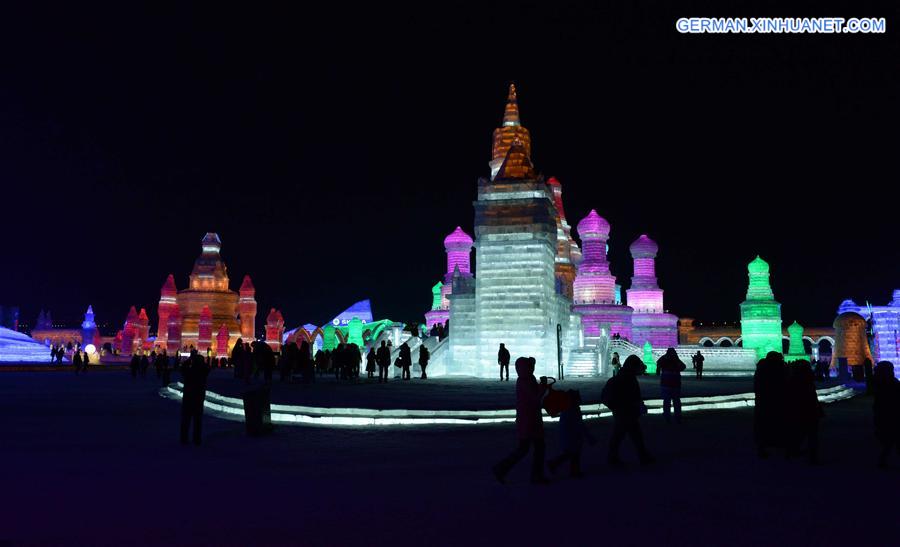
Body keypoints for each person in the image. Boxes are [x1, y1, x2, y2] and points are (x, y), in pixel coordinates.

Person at [492, 357, 550, 485]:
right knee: (535, 448)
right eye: (530, 366)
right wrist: (543, 387)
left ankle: (502, 469)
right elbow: (535, 397)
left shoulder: (526, 379)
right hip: (530, 421)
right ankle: (534, 475)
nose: (532, 368)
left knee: (526, 448)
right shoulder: (526, 381)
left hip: (527, 420)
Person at [602, 355, 654, 466]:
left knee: (623, 435)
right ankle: (640, 457)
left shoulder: (623, 376)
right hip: (626, 412)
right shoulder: (628, 378)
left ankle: (614, 457)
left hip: (622, 411)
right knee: (628, 435)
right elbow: (632, 395)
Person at [547, 390, 595, 478]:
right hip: (573, 436)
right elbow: (580, 425)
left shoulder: (567, 409)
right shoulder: (574, 410)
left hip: (569, 436)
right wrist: (589, 437)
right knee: (574, 453)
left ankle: (559, 465)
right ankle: (572, 470)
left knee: (571, 453)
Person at [785, 361, 823, 464]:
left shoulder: (792, 380)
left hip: (799, 411)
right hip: (810, 410)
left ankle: (794, 450)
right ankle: (813, 456)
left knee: (799, 432)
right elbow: (813, 396)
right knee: (812, 435)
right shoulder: (809, 380)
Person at [754, 352, 788, 458]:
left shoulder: (761, 370)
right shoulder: (778, 370)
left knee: (763, 425)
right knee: (776, 423)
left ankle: (762, 448)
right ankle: (778, 445)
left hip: (763, 402)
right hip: (775, 401)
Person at [873, 361, 900, 468]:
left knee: (890, 442)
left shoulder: (879, 383)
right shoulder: (889, 383)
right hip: (891, 415)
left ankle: (882, 461)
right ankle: (882, 461)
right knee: (893, 440)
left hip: (884, 416)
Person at [180, 350, 210, 446]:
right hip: (198, 399)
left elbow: (181, 368)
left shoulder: (189, 371)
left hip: (188, 399)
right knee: (197, 421)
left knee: (186, 420)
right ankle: (197, 439)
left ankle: (184, 438)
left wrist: (189, 359)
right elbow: (207, 367)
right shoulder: (203, 372)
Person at [657, 348, 687, 423]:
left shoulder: (664, 358)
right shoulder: (675, 359)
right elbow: (683, 366)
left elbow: (658, 363)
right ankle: (677, 416)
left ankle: (667, 416)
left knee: (667, 401)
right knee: (676, 401)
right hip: (675, 382)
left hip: (666, 383)